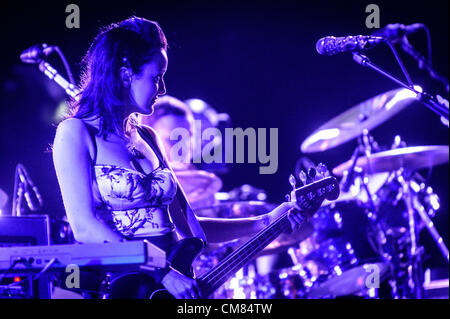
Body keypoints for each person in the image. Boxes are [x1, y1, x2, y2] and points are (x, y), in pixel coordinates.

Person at [52, 16, 304, 299]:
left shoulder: (148, 136)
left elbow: (192, 228)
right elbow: (85, 226)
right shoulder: (75, 132)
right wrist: (162, 271)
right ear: (125, 74)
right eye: (155, 77)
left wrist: (266, 221)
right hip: (111, 286)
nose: (162, 89)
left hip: (162, 284)